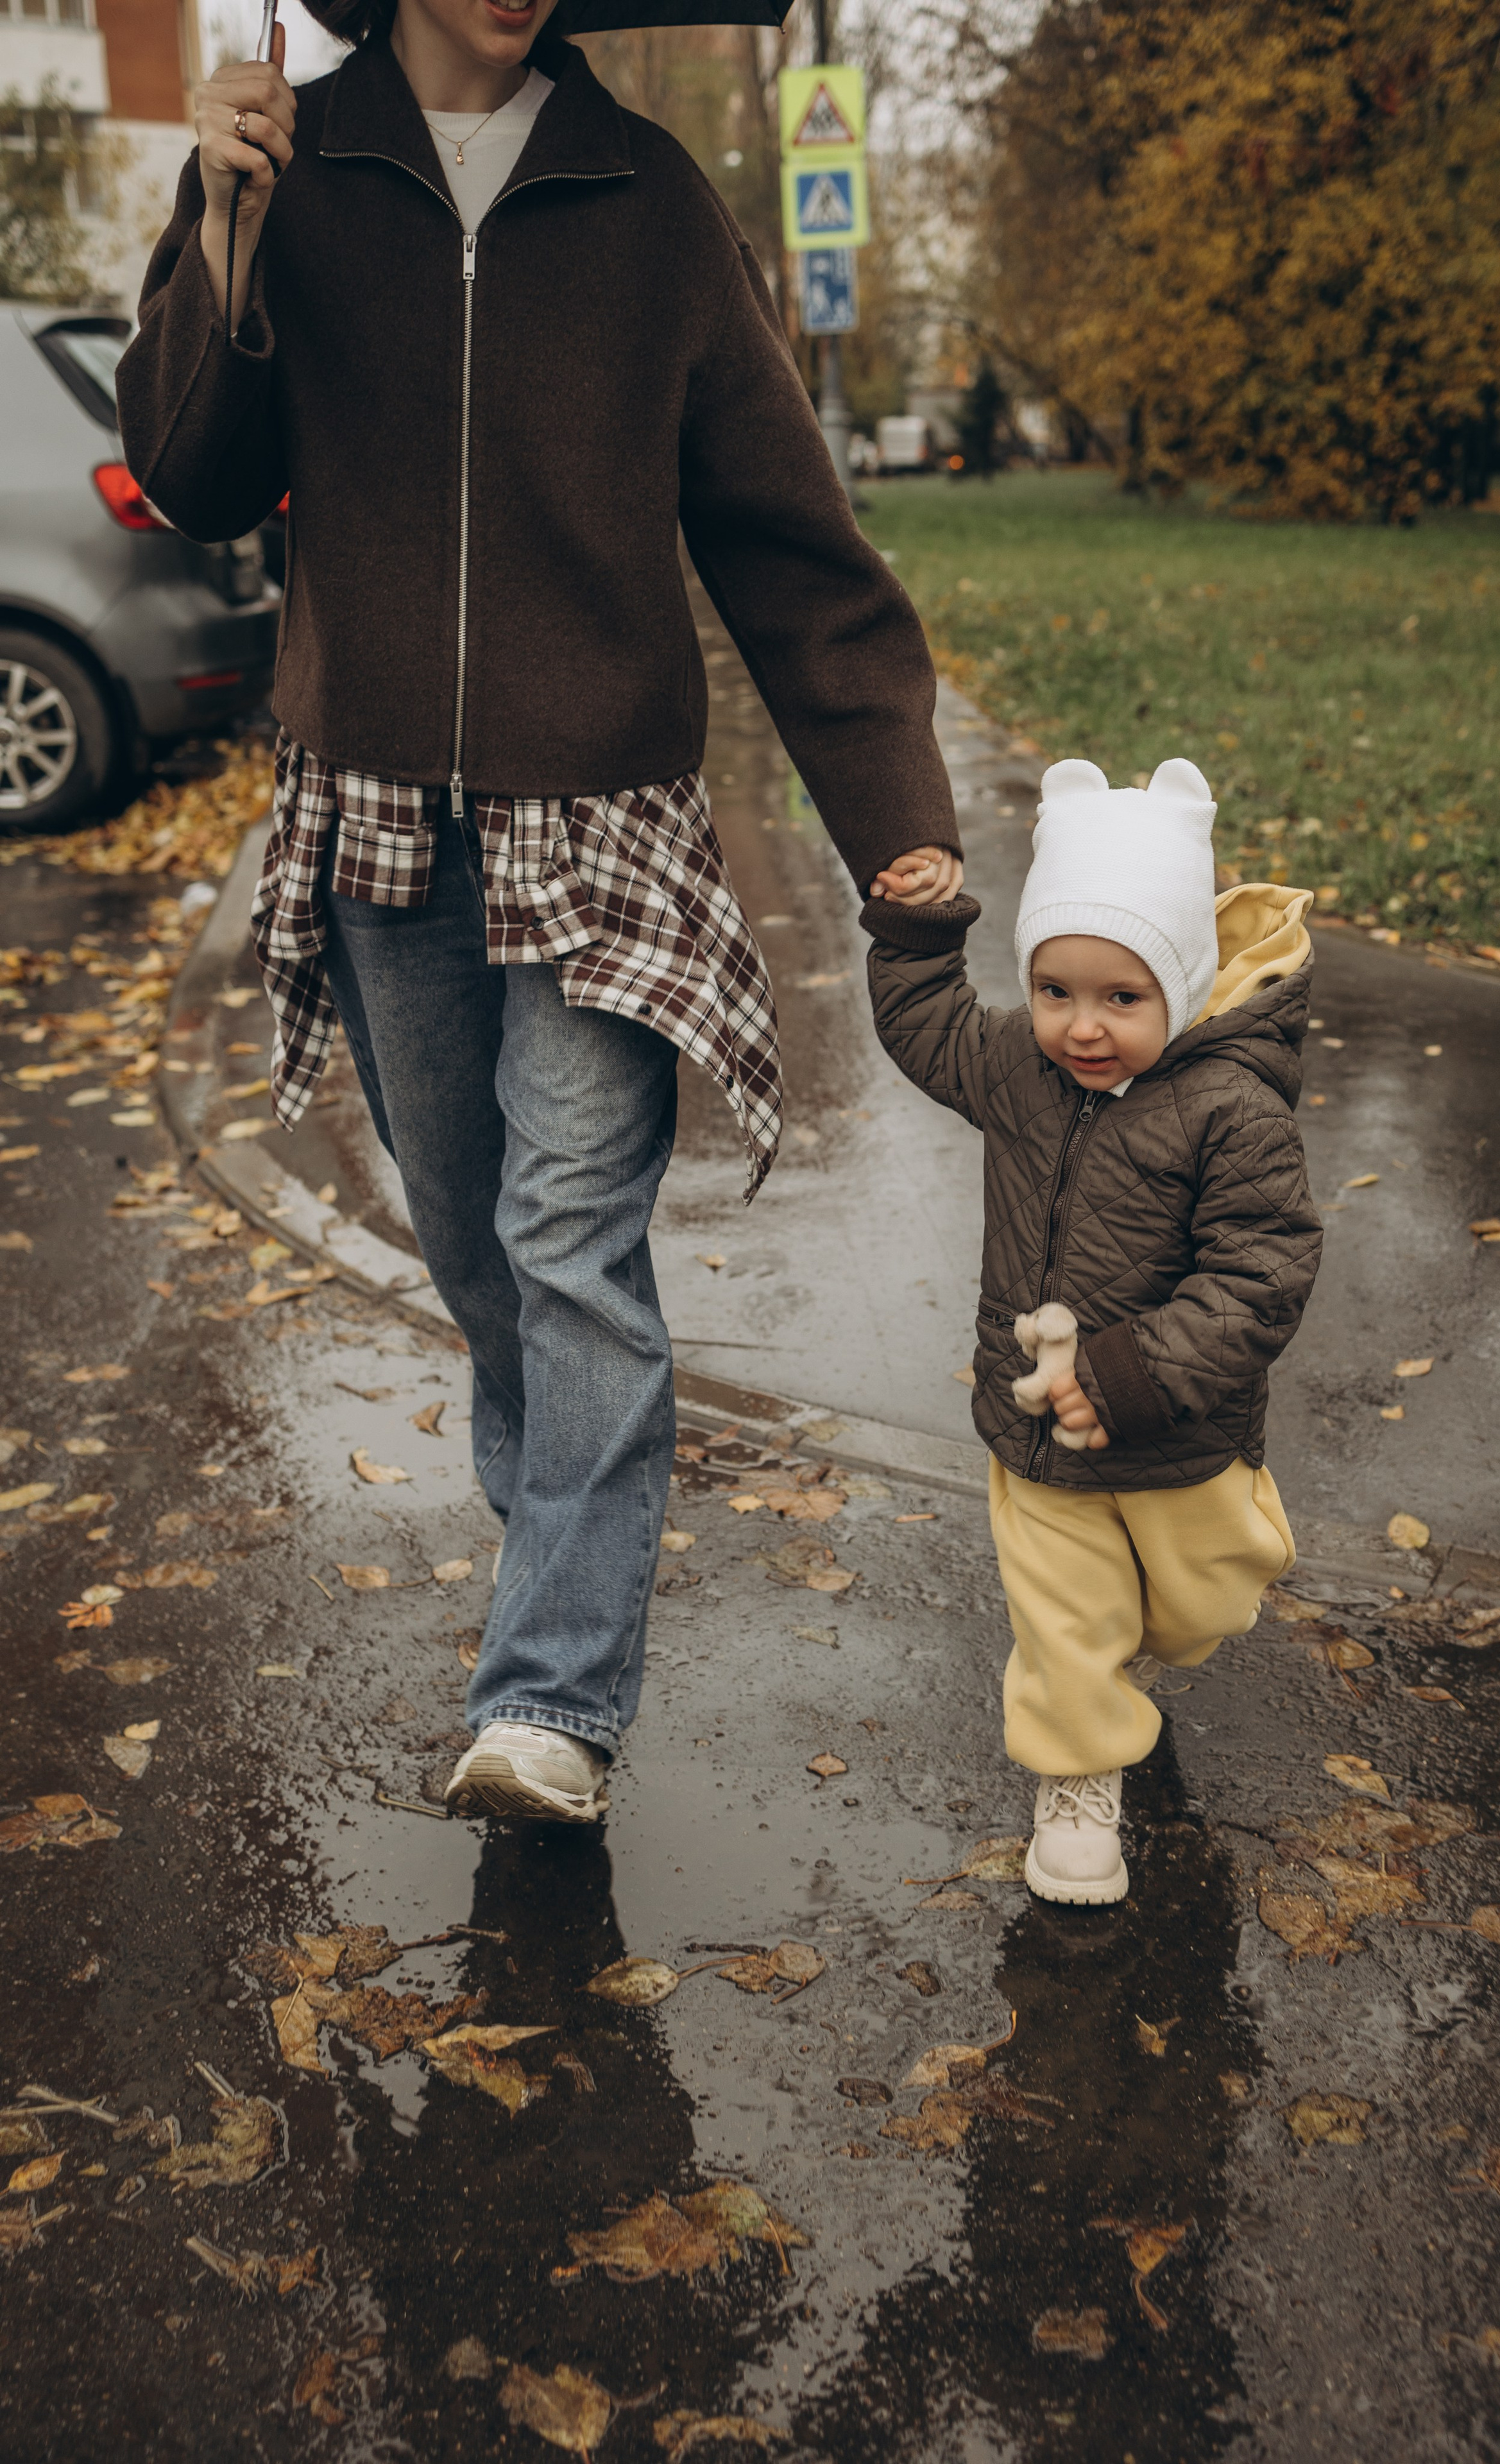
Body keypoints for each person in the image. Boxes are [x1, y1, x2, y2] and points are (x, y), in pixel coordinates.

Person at [116, 0, 962, 1826]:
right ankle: (562, 1562)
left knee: (573, 1240)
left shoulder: (650, 197)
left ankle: (551, 1699)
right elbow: (188, 474)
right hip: (376, 812)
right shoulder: (291, 171)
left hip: (604, 819)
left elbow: (785, 532)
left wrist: (897, 814)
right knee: (479, 1252)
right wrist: (216, 225)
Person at [865, 757, 1322, 1905]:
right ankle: (1078, 1783)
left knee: (1202, 1603)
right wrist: (919, 929)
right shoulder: (1019, 1064)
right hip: (1038, 1433)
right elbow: (928, 1028)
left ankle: (1177, 1603)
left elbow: (1263, 1268)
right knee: (1067, 1618)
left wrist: (1132, 1373)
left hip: (1177, 1426)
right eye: (1057, 989)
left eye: (1122, 999)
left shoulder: (1232, 1109)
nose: (1081, 1026)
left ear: (1182, 984)